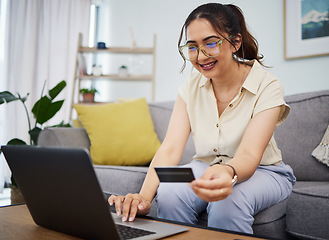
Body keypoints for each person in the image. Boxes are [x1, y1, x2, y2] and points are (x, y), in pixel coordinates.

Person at [108, 3, 296, 234]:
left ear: (235, 42)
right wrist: (143, 197)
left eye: (210, 43)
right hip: (204, 165)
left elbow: (249, 155)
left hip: (265, 171)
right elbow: (169, 148)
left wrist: (227, 173)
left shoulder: (267, 85)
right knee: (168, 190)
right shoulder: (191, 85)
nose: (200, 56)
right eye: (192, 47)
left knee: (226, 202)